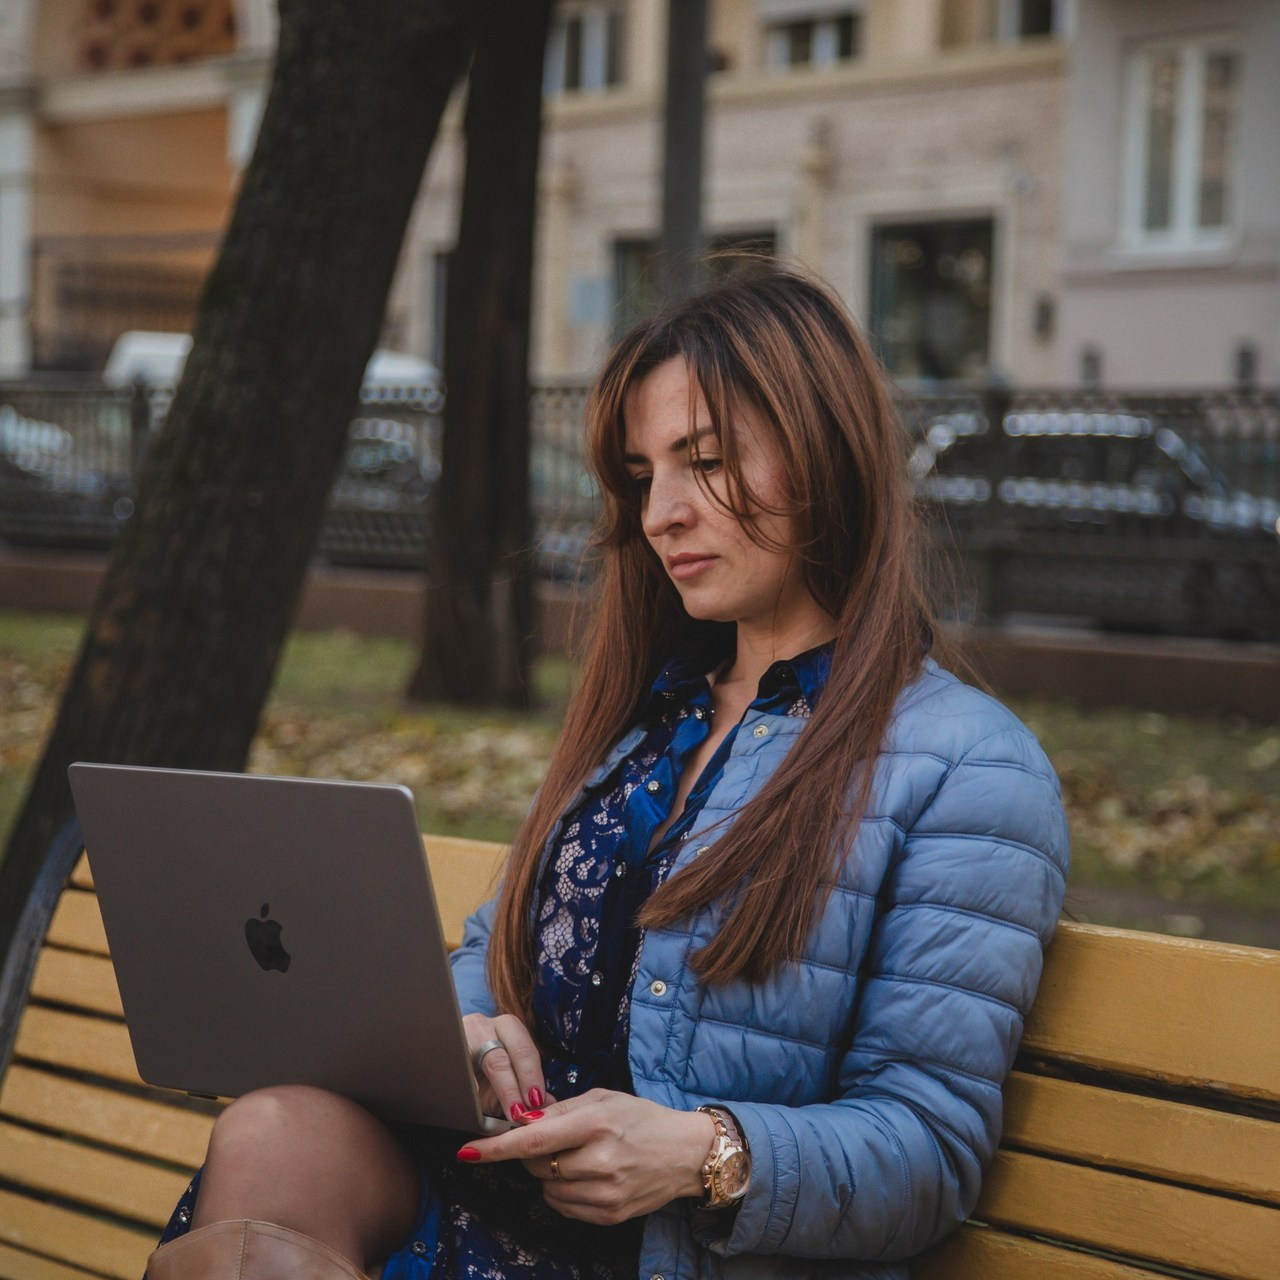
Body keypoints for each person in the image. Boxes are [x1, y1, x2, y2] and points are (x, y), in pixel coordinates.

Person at [144, 264, 1069, 1280]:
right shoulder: (645, 720)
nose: (658, 512)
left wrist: (700, 1155)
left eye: (702, 459)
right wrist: (472, 1031)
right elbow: (489, 951)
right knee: (273, 1132)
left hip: (662, 1253)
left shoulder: (967, 767)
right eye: (641, 476)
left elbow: (927, 1152)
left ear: (821, 448)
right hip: (484, 1192)